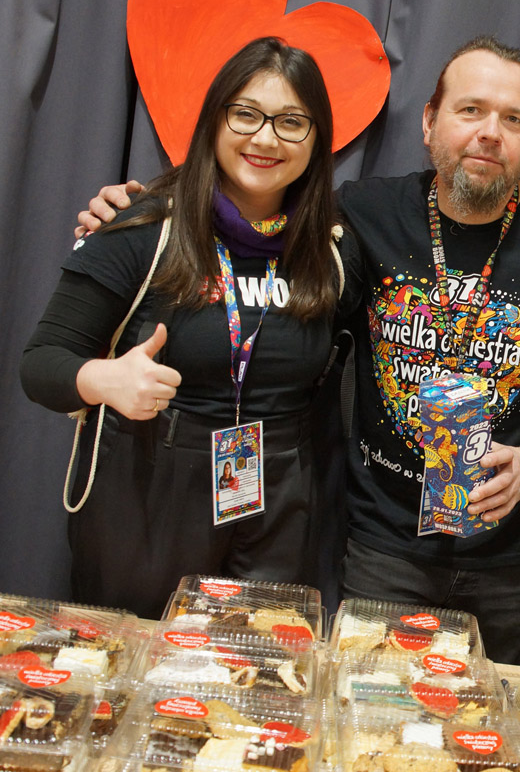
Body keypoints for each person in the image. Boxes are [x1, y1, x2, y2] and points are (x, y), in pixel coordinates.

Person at [75, 37, 520, 663]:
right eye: (470, 110)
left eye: (514, 119)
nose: (490, 133)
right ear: (429, 121)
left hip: (513, 552)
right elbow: (246, 228)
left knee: (484, 714)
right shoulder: (360, 214)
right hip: (382, 546)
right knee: (371, 706)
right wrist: (139, 212)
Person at [24, 37, 361, 619]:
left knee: (254, 659)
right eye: (246, 114)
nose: (265, 139)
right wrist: (103, 381)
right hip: (150, 484)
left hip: (278, 490)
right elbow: (40, 363)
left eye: (291, 122)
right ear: (214, 120)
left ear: (316, 139)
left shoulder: (332, 250)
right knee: (138, 662)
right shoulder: (143, 229)